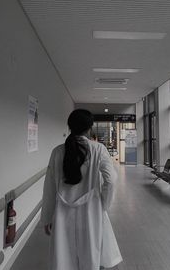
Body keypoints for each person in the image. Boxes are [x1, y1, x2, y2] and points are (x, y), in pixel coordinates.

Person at [41, 109, 122, 270]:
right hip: (91, 212)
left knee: (64, 257)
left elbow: (49, 187)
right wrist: (103, 204)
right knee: (90, 254)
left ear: (69, 127)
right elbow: (111, 180)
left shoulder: (57, 152)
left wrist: (47, 217)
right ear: (89, 128)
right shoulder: (98, 149)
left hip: (63, 213)